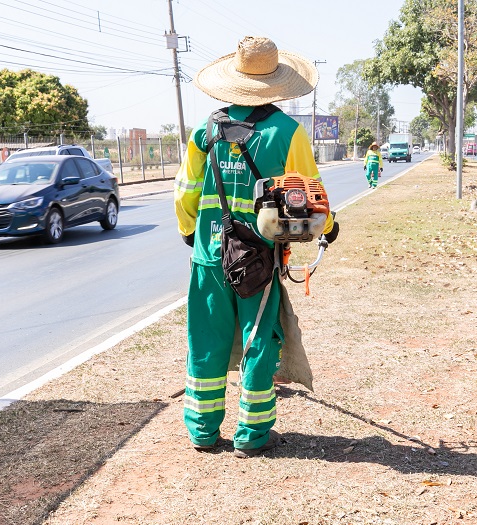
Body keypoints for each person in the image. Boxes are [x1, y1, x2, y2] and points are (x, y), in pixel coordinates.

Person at [174, 36, 339, 458]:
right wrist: (330, 228)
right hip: (259, 257)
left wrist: (190, 230)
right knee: (258, 339)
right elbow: (311, 195)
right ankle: (252, 435)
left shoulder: (204, 131)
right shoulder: (287, 132)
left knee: (205, 340)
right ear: (276, 83)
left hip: (208, 256)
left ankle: (202, 431)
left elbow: (185, 192)